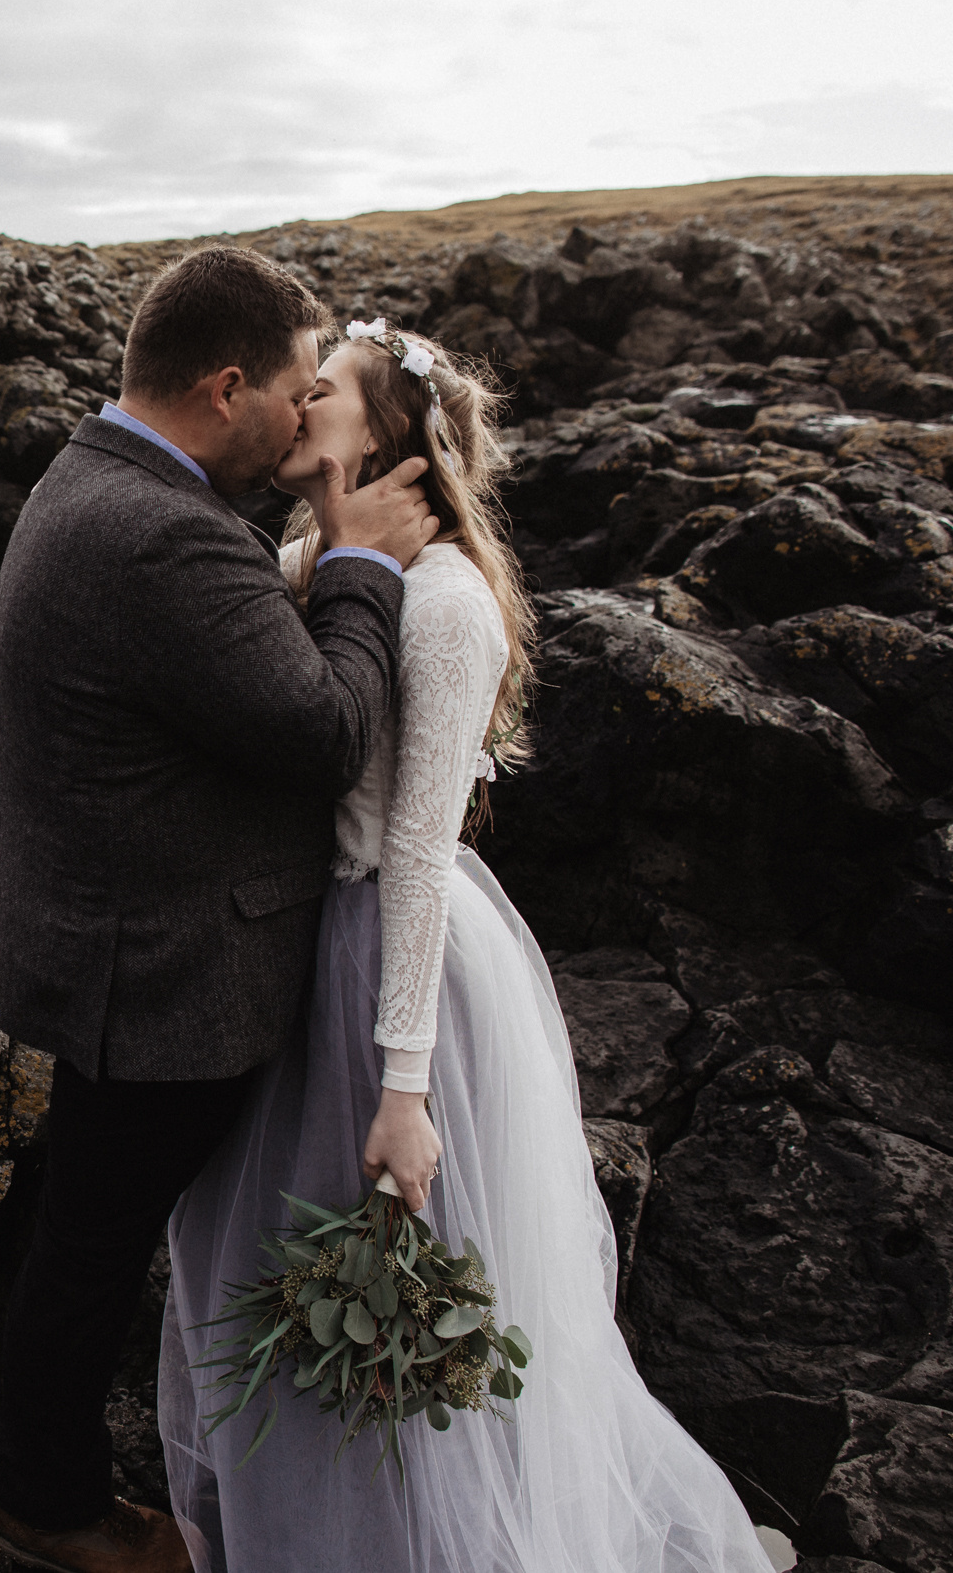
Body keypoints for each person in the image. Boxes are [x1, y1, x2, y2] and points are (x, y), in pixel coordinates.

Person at [154, 321, 778, 1572]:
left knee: (373, 1296)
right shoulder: (311, 559)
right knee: (270, 1277)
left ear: (381, 433)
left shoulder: (444, 602)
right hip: (301, 961)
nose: (291, 402)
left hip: (395, 973)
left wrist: (402, 1091)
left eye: (317, 389)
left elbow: (422, 855)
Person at [0, 248, 439, 1573]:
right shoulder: (161, 533)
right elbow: (324, 729)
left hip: (112, 938)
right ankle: (48, 1506)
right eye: (295, 390)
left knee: (93, 1231)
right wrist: (359, 565)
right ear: (227, 385)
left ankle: (67, 1485)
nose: (306, 417)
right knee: (95, 1244)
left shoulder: (101, 477)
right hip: (159, 970)